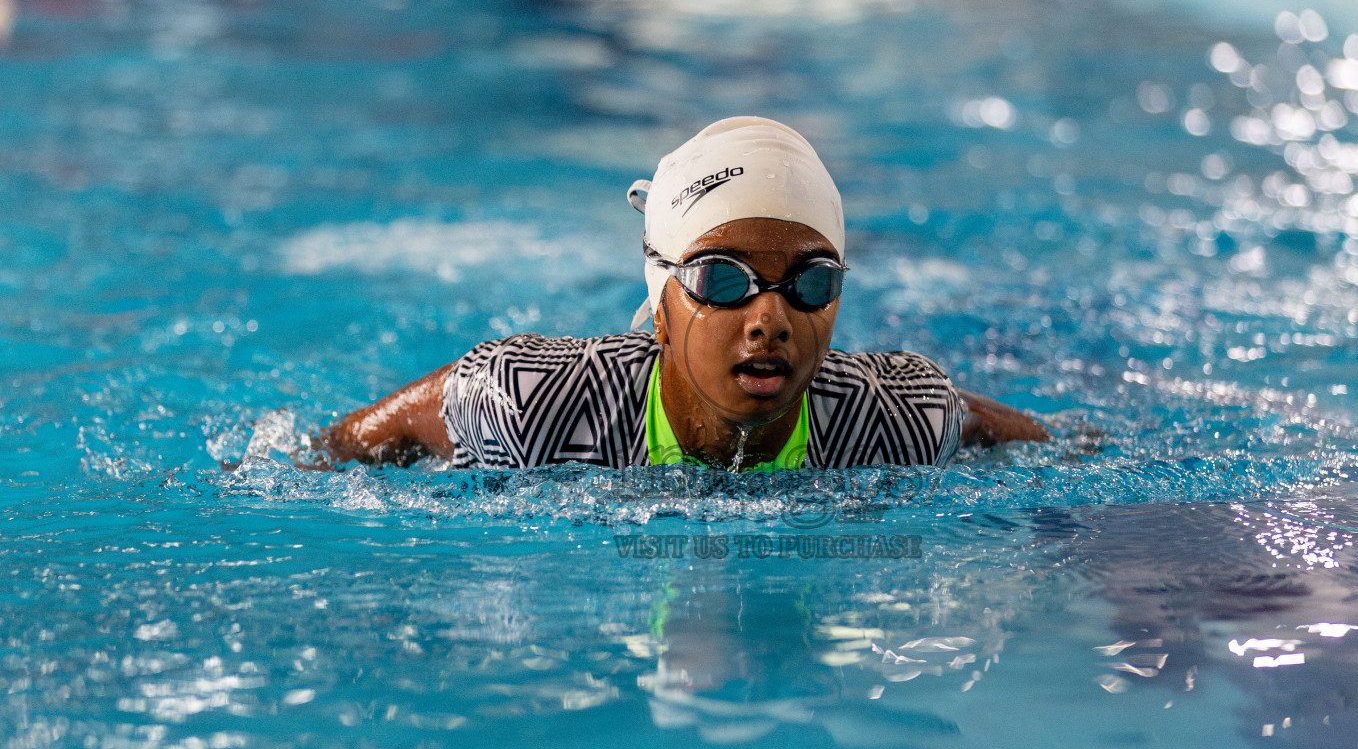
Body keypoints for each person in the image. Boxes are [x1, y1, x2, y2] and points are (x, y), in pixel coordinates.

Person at [321, 116, 1048, 471]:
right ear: (660, 306)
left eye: (811, 282)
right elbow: (341, 451)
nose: (770, 319)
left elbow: (1058, 454)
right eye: (722, 279)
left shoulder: (893, 420)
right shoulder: (530, 401)